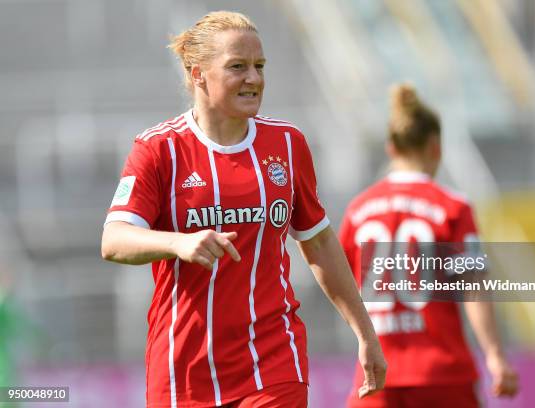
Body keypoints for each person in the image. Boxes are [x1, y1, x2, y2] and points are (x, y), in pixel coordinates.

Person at [100, 10, 386, 408]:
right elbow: (114, 239)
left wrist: (365, 334)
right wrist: (178, 243)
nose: (254, 78)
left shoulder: (287, 144)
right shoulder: (158, 149)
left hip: (272, 363)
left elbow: (318, 243)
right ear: (198, 73)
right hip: (183, 371)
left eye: (259, 66)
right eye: (238, 67)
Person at [339, 84, 518, 407]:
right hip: (442, 375)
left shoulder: (357, 210)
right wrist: (494, 355)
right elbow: (473, 286)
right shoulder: (453, 207)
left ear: (391, 149)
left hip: (375, 375)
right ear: (436, 147)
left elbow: (340, 283)